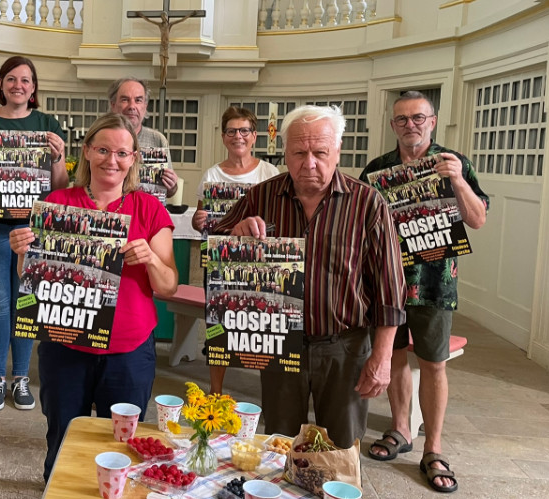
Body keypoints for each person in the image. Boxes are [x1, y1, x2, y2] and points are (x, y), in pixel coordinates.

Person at [9, 113, 178, 499]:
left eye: (122, 152)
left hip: (129, 351)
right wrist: (22, 251)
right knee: (62, 439)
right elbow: (32, 279)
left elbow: (169, 285)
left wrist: (151, 259)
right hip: (66, 346)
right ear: (86, 151)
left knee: (123, 450)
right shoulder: (58, 203)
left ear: (134, 158)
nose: (112, 160)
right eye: (103, 149)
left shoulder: (148, 207)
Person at [214, 104, 406, 449]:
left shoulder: (367, 203)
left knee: (342, 448)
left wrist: (383, 356)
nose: (310, 163)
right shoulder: (261, 195)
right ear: (285, 152)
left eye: (320, 152)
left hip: (344, 347)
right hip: (278, 343)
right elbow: (216, 250)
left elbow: (389, 288)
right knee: (280, 443)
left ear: (337, 151)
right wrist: (235, 235)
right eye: (299, 153)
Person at [362, 91, 488, 493]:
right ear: (393, 125)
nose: (410, 125)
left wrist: (456, 182)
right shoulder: (377, 170)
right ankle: (400, 429)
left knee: (433, 362)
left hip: (436, 279)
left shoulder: (454, 163)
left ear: (432, 122)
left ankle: (432, 447)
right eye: (401, 120)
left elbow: (478, 218)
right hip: (386, 280)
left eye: (418, 118)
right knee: (394, 354)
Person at [0, 56, 69, 412]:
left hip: (32, 228)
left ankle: (21, 376)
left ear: (34, 88)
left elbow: (61, 187)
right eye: (11, 79)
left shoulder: (47, 124)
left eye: (25, 80)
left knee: (25, 300)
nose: (18, 85)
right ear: (1, 83)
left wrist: (58, 156)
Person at [189, 106, 279, 395]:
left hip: (261, 261)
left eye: (244, 131)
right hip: (220, 261)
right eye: (231, 131)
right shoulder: (212, 174)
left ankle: (269, 390)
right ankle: (215, 390)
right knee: (219, 324)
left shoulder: (270, 172)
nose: (237, 136)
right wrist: (198, 219)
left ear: (254, 136)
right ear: (224, 136)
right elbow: (199, 219)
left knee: (265, 327)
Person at [107, 77, 179, 200]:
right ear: (113, 105)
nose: (132, 106)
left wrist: (172, 185)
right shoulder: (100, 137)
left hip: (147, 214)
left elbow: (169, 192)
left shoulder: (157, 139)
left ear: (145, 106)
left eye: (138, 100)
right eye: (125, 100)